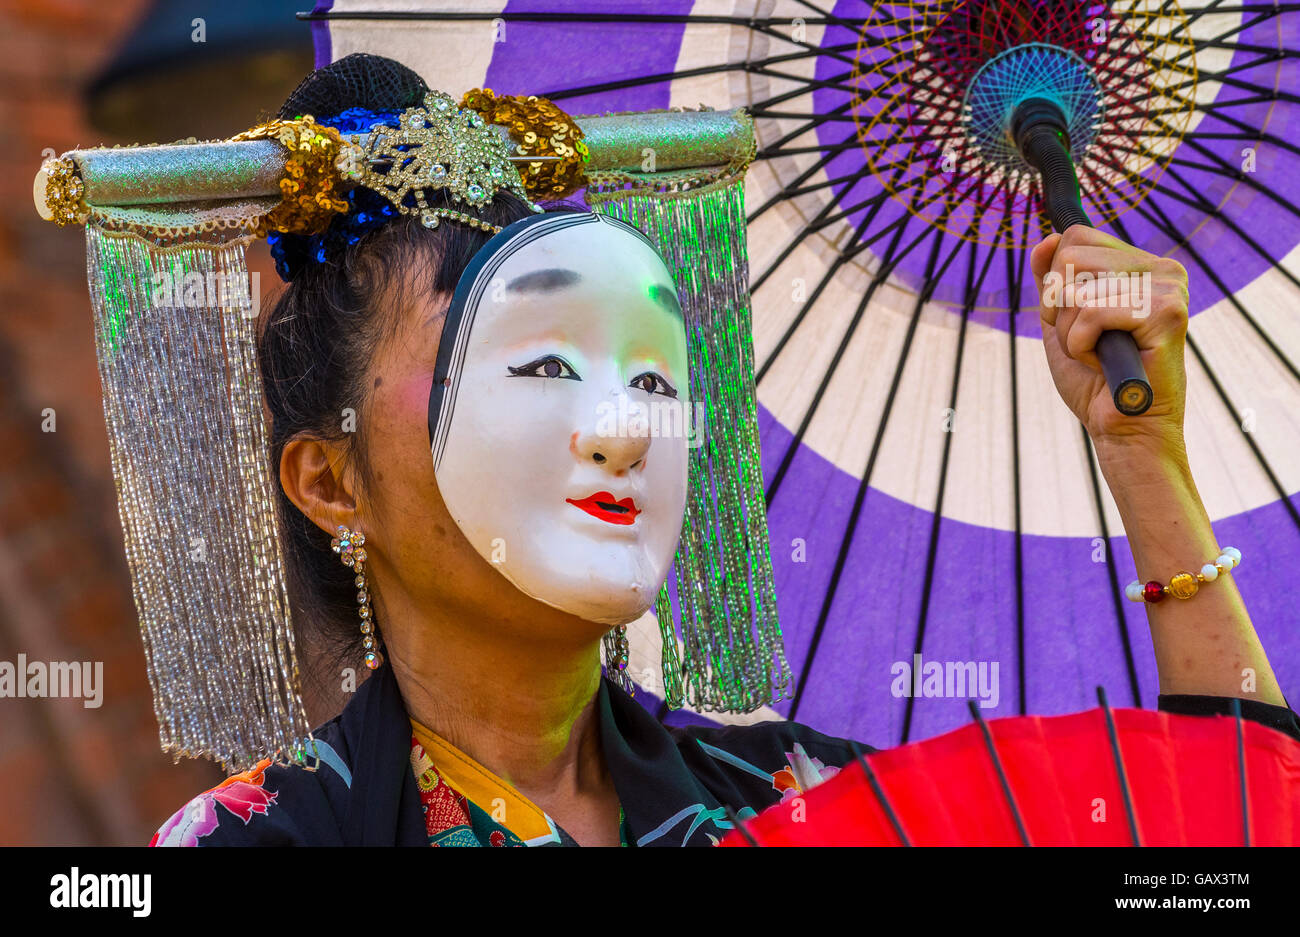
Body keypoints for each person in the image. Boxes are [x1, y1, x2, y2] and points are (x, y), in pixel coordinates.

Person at [151, 55, 1299, 848]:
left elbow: (1221, 834)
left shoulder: (802, 798)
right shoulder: (261, 843)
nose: (620, 427)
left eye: (650, 375)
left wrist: (1145, 456)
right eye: (539, 365)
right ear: (332, 480)